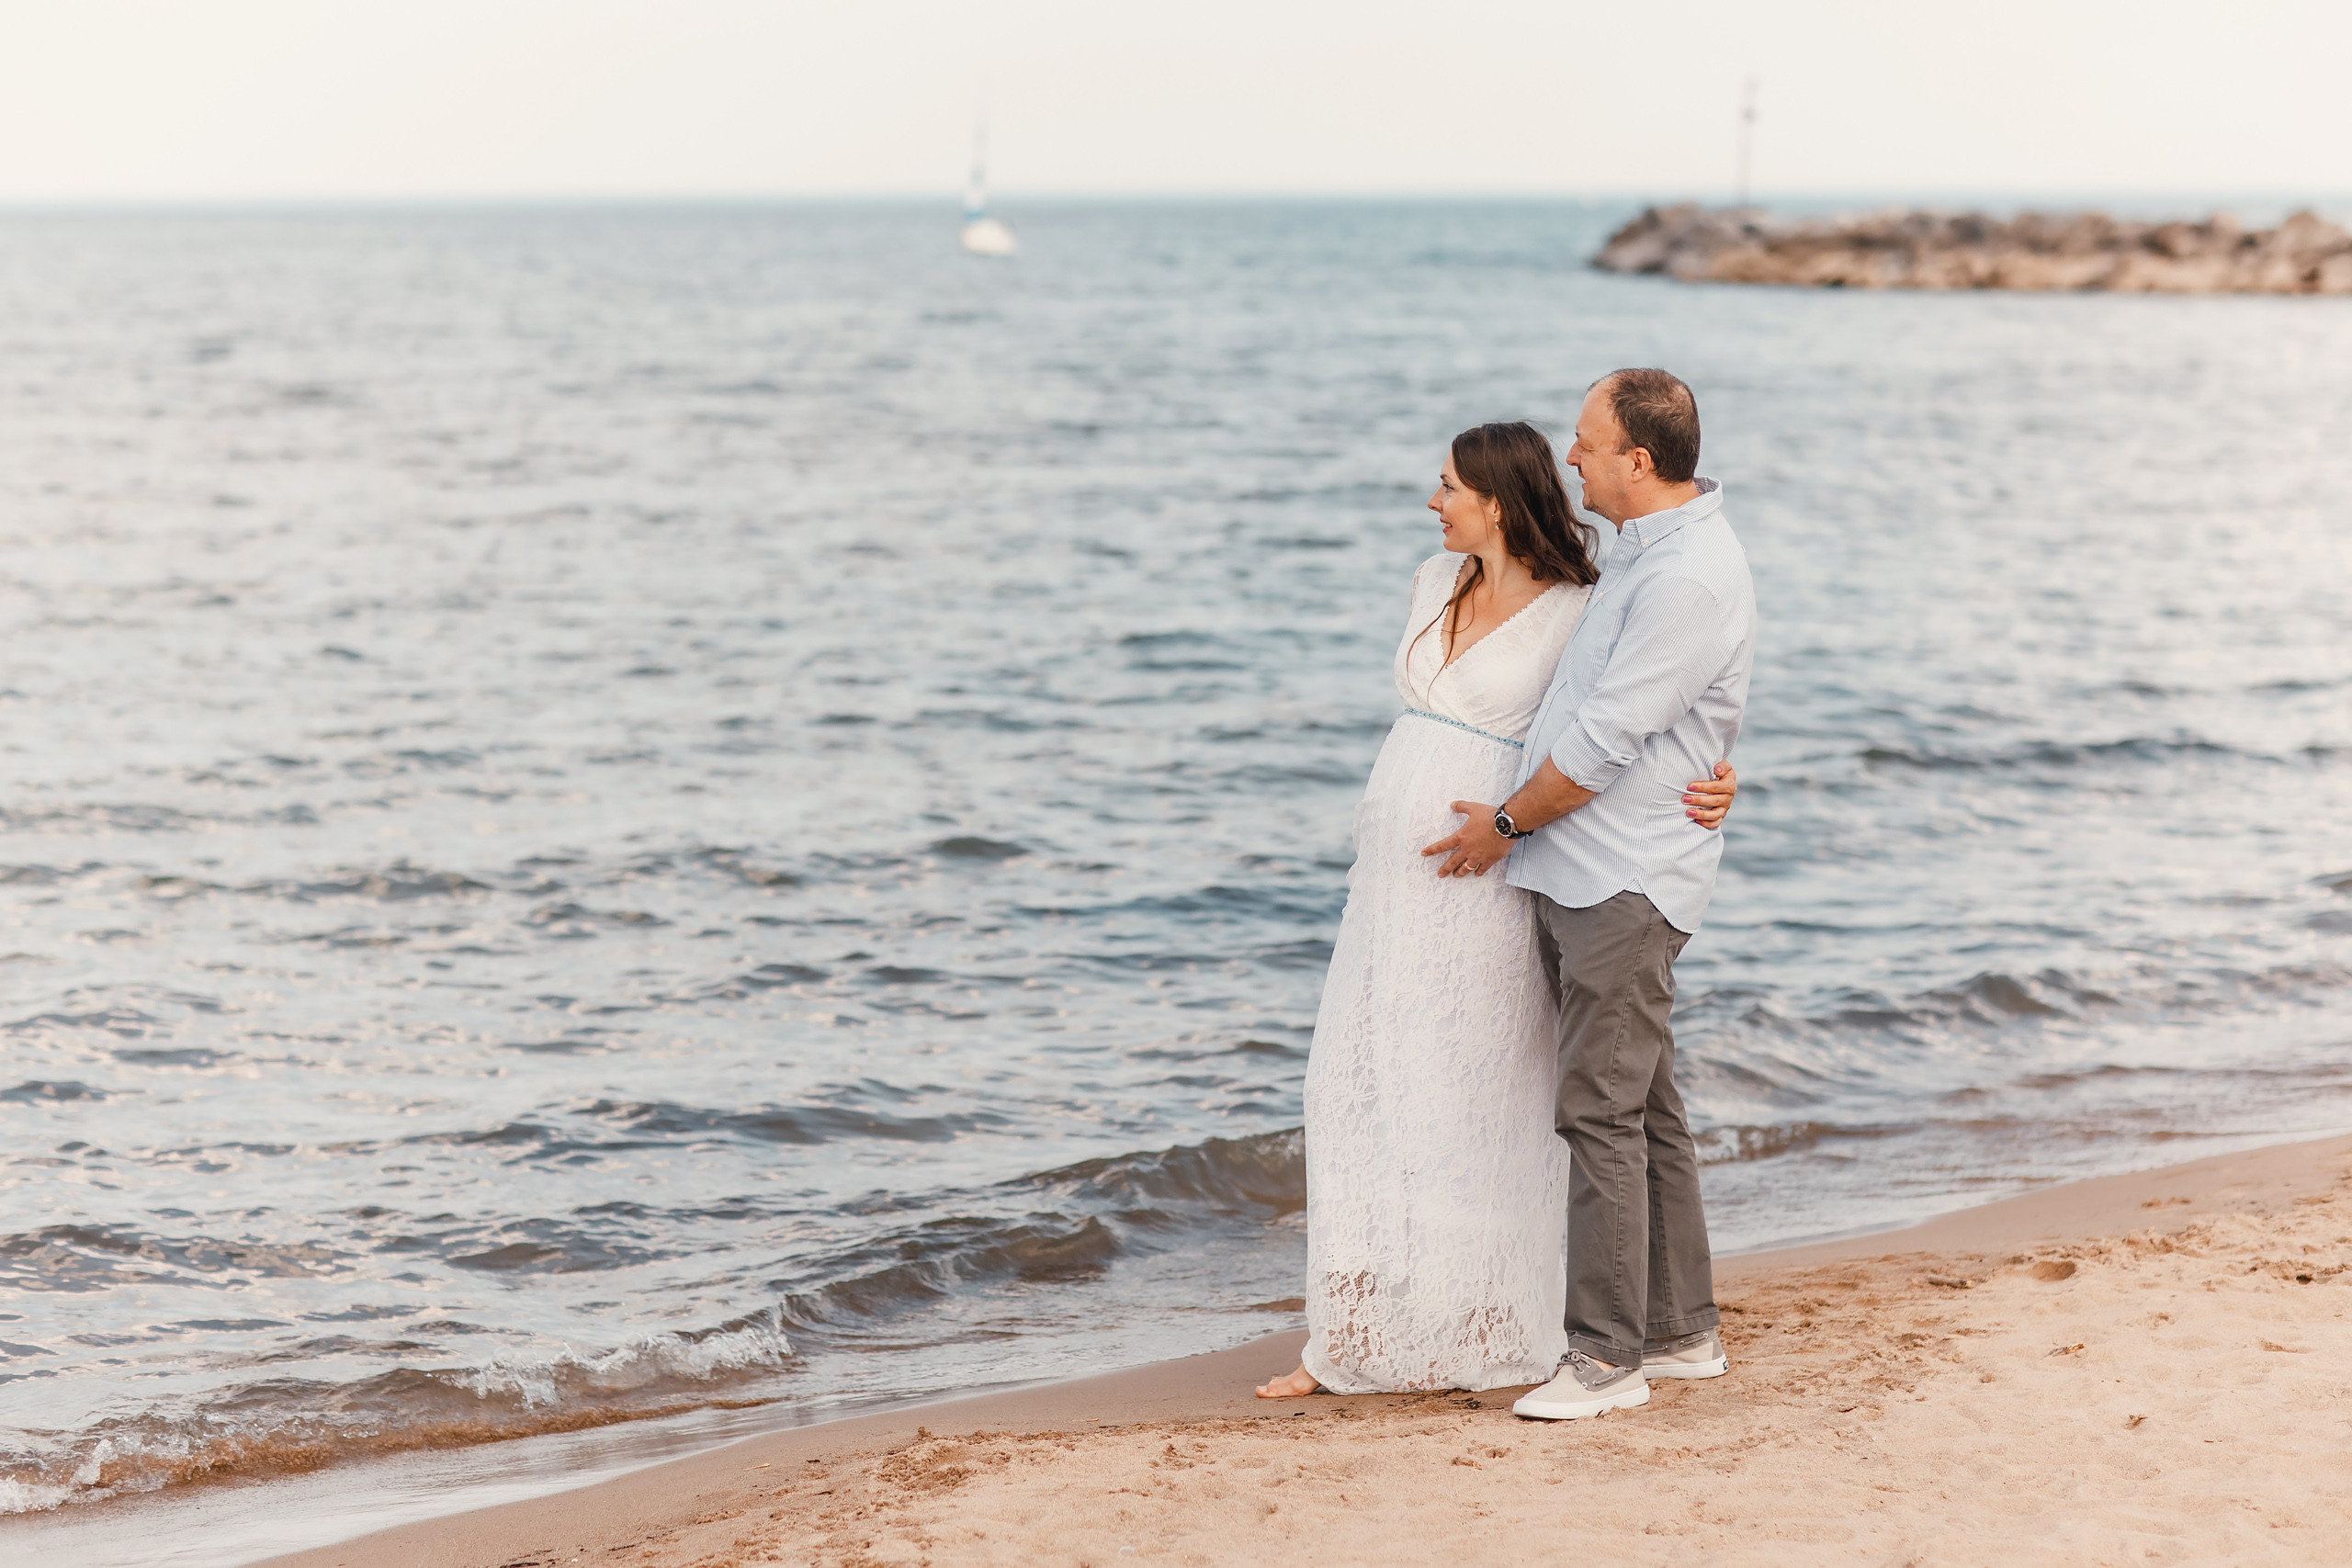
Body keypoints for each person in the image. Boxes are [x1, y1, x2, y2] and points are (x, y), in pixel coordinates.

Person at [1254, 419, 1736, 1400]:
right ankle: (1348, 1329)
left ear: (1495, 500)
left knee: (1478, 1089)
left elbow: (1648, 715)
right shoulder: (1435, 581)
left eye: (1445, 487)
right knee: (1363, 1077)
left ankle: (1499, 1317)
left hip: (1502, 862)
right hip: (1392, 877)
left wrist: (1723, 779)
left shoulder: (1579, 607)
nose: (1431, 503)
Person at [1425, 369, 1756, 1421]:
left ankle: (1606, 1361)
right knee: (1646, 1109)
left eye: (1585, 442)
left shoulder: (1685, 578)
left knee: (1599, 1113)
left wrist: (1507, 824)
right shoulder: (1647, 556)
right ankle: (1681, 1331)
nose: (1571, 458)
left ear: (1637, 462)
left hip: (1620, 877)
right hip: (1592, 866)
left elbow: (1610, 737)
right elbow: (1675, 716)